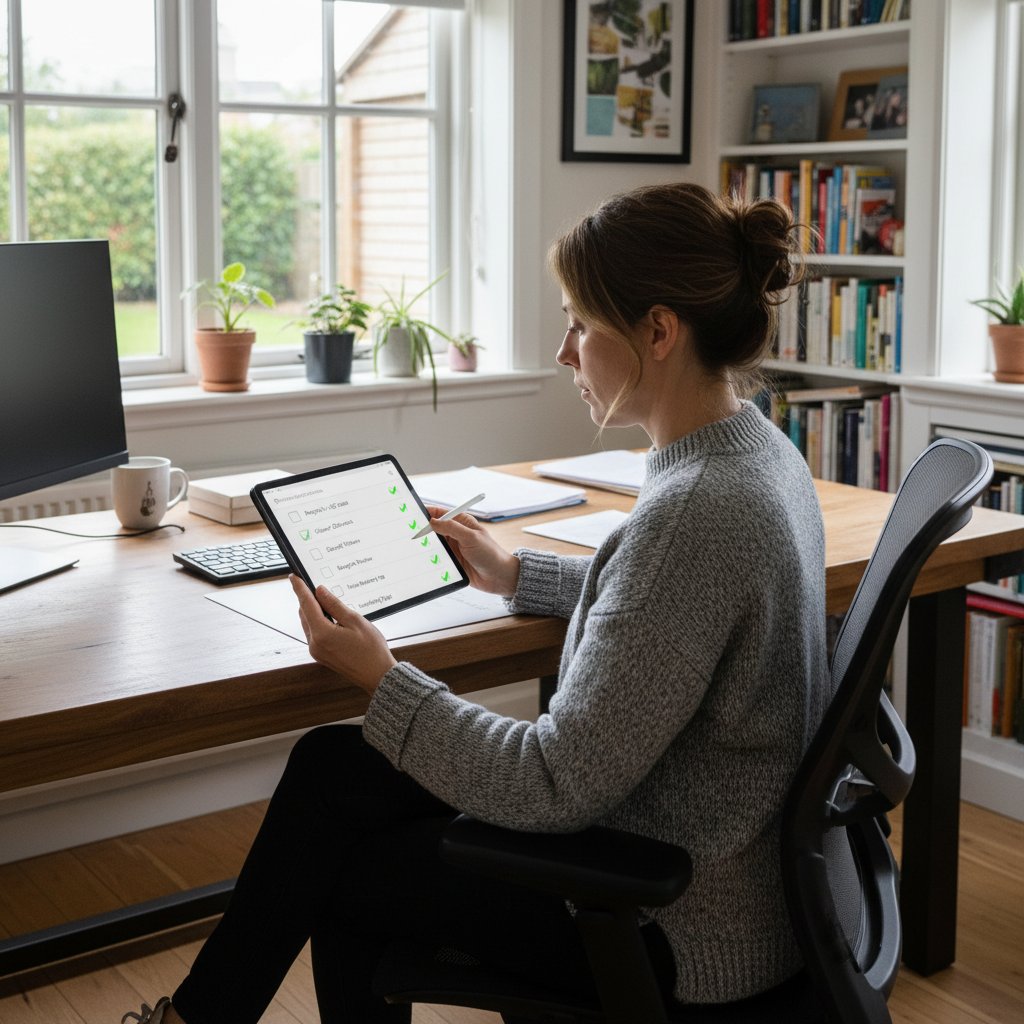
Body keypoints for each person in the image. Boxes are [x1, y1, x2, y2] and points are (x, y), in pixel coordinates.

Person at [121, 182, 853, 1024]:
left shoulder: (696, 511)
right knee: (333, 768)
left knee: (344, 872)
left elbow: (548, 781)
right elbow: (675, 617)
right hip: (697, 854)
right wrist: (519, 576)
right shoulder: (755, 450)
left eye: (580, 322)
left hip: (672, 924)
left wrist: (382, 675)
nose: (563, 352)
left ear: (658, 330)